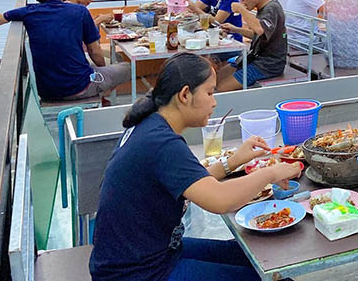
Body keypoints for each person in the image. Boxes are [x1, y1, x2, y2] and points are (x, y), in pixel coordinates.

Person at [89, 53, 300, 281]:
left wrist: (233, 161)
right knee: (270, 277)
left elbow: (190, 182)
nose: (214, 102)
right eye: (209, 93)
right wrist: (271, 172)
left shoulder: (150, 126)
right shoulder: (161, 143)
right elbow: (220, 200)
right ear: (185, 95)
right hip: (139, 273)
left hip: (153, 253)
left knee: (253, 255)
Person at [0, 0, 130, 101]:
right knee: (127, 68)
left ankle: (101, 93)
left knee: (94, 70)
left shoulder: (28, 12)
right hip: (80, 87)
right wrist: (101, 70)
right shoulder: (80, 12)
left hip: (47, 91)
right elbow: (94, 51)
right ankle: (102, 93)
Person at [215, 0, 288, 91]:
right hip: (255, 58)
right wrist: (236, 29)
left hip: (269, 65)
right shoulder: (263, 8)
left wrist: (241, 9)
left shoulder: (271, 8)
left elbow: (260, 29)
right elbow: (258, 35)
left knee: (221, 88)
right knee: (218, 76)